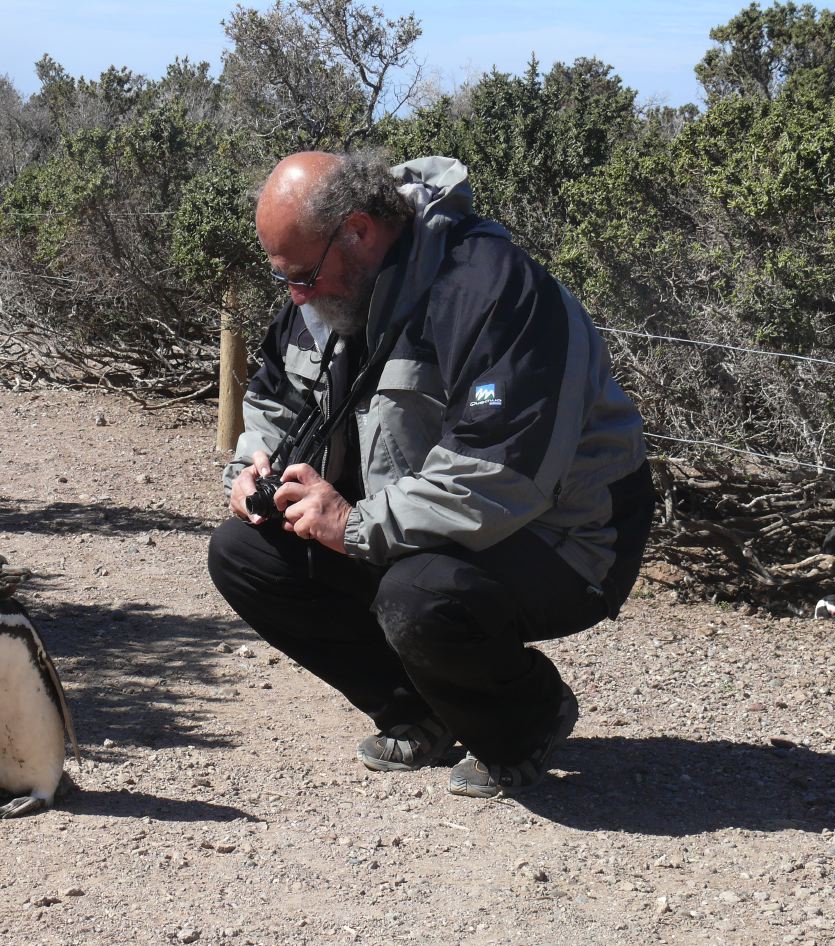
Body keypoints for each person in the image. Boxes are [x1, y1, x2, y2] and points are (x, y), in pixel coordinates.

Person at [208, 151, 655, 799]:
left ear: (358, 231)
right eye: (286, 281)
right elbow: (277, 399)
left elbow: (499, 475)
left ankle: (525, 719)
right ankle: (422, 715)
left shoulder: (489, 289)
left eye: (302, 274)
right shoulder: (327, 292)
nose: (298, 296)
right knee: (245, 553)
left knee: (420, 597)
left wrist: (356, 525)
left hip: (568, 538)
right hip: (416, 531)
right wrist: (256, 468)